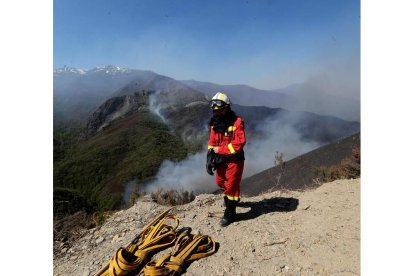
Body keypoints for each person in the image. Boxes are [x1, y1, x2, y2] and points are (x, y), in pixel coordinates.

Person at [206, 92, 246, 227]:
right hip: (220, 160)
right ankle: (230, 199)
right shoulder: (214, 123)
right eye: (214, 110)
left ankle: (230, 213)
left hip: (234, 160)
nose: (216, 113)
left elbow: (239, 144)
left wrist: (220, 150)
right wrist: (209, 157)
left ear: (227, 108)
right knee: (220, 182)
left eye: (219, 110)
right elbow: (212, 142)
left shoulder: (237, 122)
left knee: (231, 186)